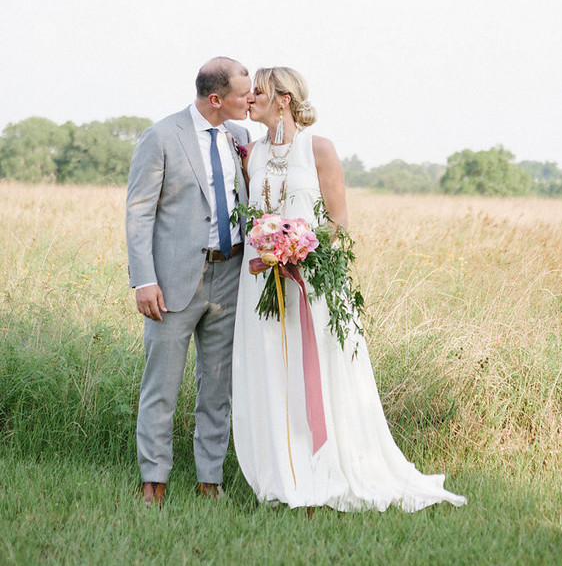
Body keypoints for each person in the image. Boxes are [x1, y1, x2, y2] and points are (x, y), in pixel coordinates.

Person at [232, 66, 466, 512]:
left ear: (283, 97)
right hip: (260, 281)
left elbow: (337, 224)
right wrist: (271, 253)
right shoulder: (252, 154)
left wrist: (295, 249)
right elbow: (253, 216)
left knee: (317, 372)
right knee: (271, 372)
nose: (250, 98)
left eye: (258, 90)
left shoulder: (318, 148)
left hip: (314, 283)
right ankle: (283, 473)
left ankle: (328, 470)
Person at [126, 56, 252, 506]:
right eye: (244, 92)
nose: (252, 98)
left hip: (231, 275)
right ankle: (154, 481)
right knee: (161, 385)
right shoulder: (161, 136)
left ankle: (209, 480)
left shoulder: (240, 136)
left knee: (217, 385)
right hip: (172, 282)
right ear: (216, 99)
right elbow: (139, 212)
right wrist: (143, 280)